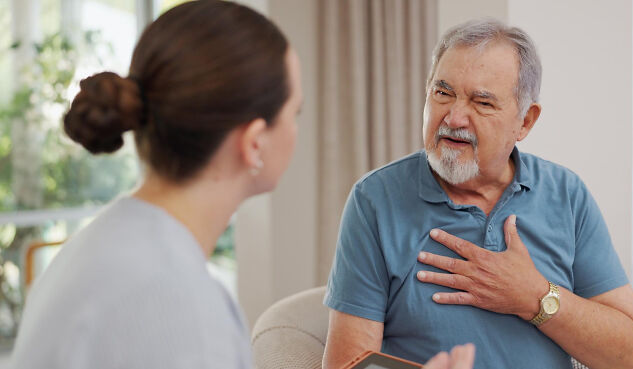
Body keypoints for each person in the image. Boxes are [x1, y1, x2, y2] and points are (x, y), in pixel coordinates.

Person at [10, 1, 474, 369]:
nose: (297, 128)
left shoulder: (100, 242)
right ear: (254, 143)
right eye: (295, 113)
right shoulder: (182, 307)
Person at [323, 19, 633, 369]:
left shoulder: (566, 194)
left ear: (525, 122)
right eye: (443, 92)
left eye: (482, 102)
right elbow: (347, 365)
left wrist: (535, 298)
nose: (454, 117)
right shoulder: (375, 200)